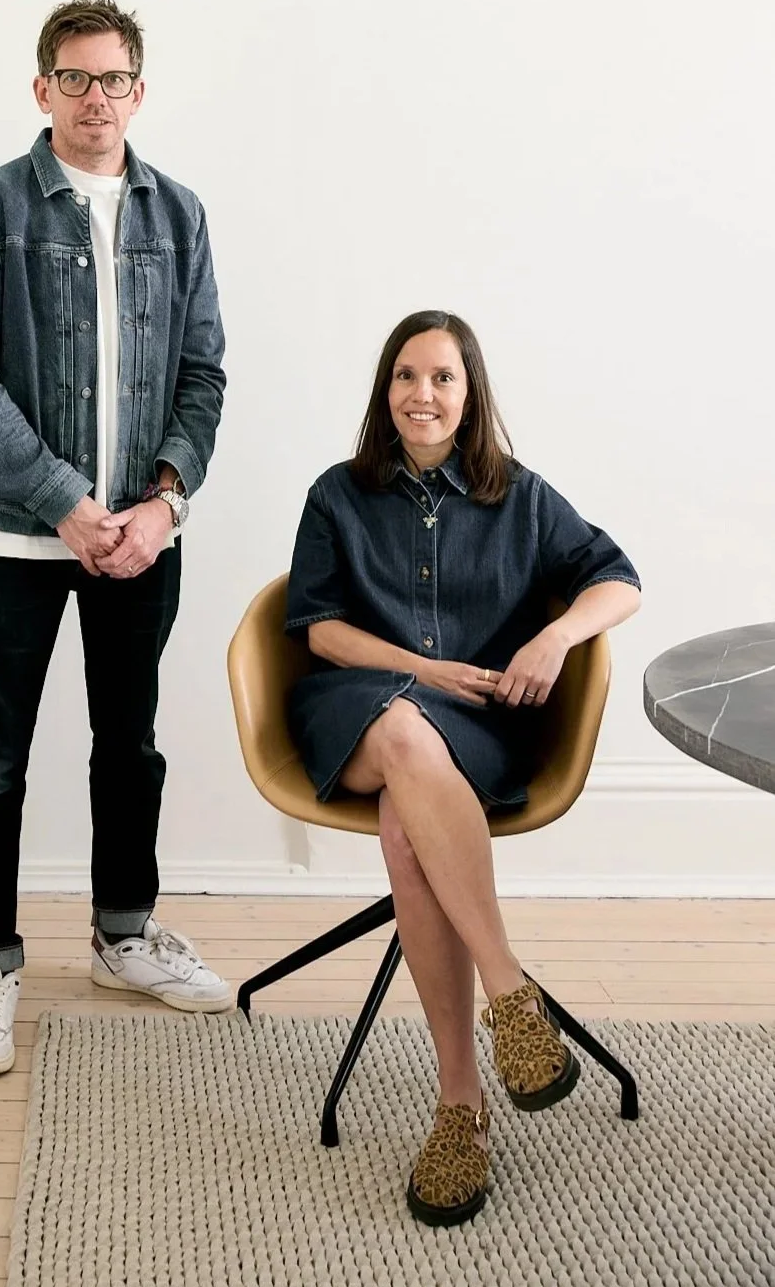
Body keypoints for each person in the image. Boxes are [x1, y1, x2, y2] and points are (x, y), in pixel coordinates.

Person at [284, 310, 640, 1226]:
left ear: (470, 391)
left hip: (476, 732)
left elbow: (620, 578)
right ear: (385, 390)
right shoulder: (337, 494)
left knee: (410, 828)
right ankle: (510, 991)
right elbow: (317, 626)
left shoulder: (520, 496)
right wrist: (421, 670)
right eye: (407, 375)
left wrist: (557, 636)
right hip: (356, 712)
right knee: (403, 736)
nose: (423, 394)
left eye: (442, 376)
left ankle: (460, 1105)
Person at [0, 0, 232, 1077]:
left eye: (113, 79)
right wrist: (65, 500)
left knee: (131, 745)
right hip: (18, 536)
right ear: (41, 87)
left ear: (138, 90)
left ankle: (121, 933)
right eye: (74, 77)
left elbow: (202, 374)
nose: (94, 97)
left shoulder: (181, 216)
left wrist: (163, 503)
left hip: (142, 540)